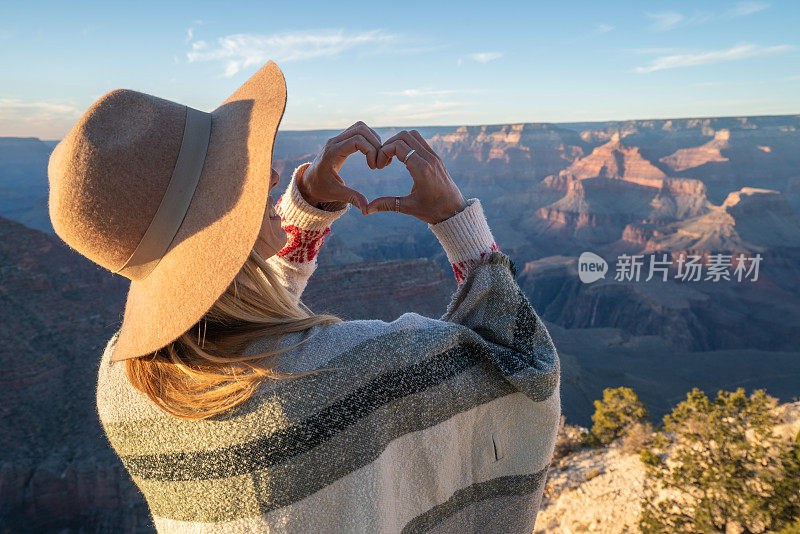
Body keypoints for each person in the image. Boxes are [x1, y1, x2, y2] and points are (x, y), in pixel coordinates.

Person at [48, 61, 561, 533]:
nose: (270, 175)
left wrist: (305, 211)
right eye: (237, 173)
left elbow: (248, 325)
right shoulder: (352, 369)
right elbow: (524, 363)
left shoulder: (119, 385)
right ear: (209, 222)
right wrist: (456, 221)